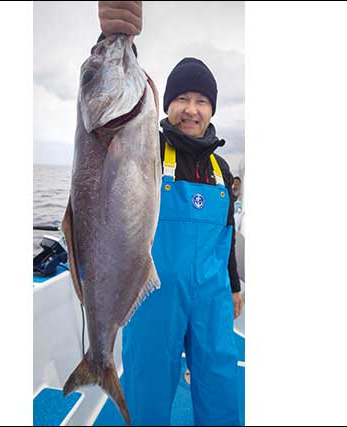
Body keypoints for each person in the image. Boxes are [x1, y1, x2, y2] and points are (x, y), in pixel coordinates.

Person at [98, 2, 243, 425]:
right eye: (182, 98)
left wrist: (233, 287)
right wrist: (115, 40)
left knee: (220, 389)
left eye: (201, 101)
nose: (191, 109)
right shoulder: (144, 151)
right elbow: (112, 111)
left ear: (212, 109)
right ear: (167, 105)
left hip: (213, 300)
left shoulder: (222, 171)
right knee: (148, 391)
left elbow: (228, 234)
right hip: (153, 296)